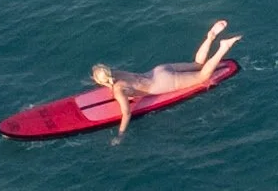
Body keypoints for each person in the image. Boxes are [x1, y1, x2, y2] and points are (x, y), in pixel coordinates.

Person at [91, 19, 241, 137]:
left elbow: (127, 113)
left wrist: (121, 134)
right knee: (196, 64)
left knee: (203, 76)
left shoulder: (118, 90)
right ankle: (210, 37)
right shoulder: (116, 72)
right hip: (159, 70)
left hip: (164, 82)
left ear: (102, 81)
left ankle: (223, 47)